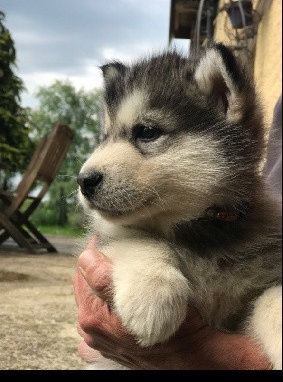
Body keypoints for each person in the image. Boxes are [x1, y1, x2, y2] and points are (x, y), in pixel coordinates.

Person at [73, 95, 282, 370]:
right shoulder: (132, 229)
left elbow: (264, 292)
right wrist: (148, 266)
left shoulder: (264, 237)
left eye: (146, 132)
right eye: (106, 135)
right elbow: (109, 253)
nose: (91, 166)